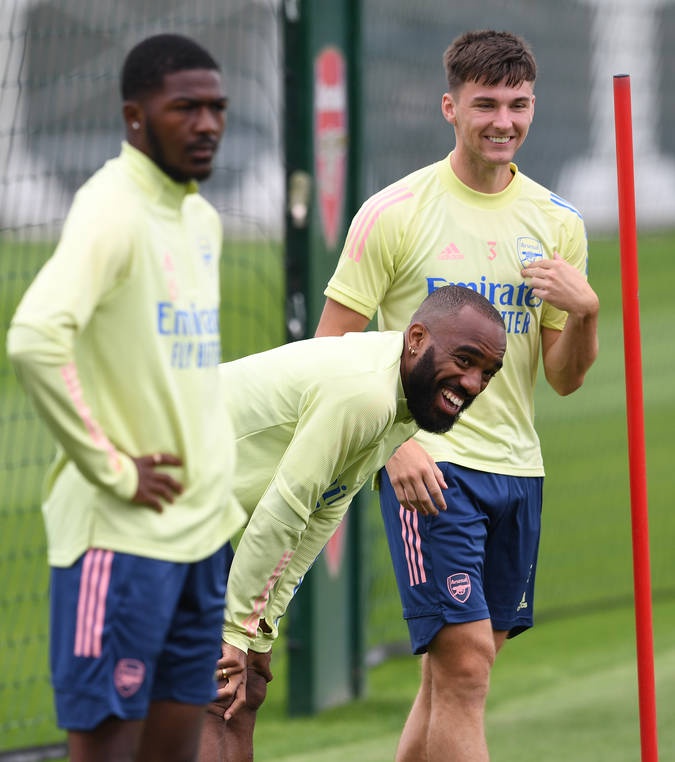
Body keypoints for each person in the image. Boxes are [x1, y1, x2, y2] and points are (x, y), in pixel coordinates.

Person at [314, 29, 600, 762]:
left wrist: (586, 312)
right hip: (429, 471)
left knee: (453, 678)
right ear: (450, 107)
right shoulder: (394, 211)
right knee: (466, 668)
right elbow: (330, 349)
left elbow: (564, 378)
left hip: (518, 470)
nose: (503, 121)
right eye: (485, 105)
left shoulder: (557, 224)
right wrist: (394, 447)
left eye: (518, 104)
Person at [6, 34, 247, 762]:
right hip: (121, 543)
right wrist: (112, 468)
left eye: (216, 108)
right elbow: (34, 338)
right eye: (185, 108)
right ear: (135, 117)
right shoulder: (111, 209)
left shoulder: (200, 220)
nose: (206, 124)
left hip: (200, 539)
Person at [197, 285, 507, 762]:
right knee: (216, 686)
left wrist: (262, 627)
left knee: (247, 685)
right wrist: (236, 631)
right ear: (417, 338)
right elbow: (283, 511)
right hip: (153, 491)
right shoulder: (367, 394)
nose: (473, 383)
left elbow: (323, 513)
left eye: (487, 372)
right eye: (464, 360)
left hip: (196, 512)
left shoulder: (404, 403)